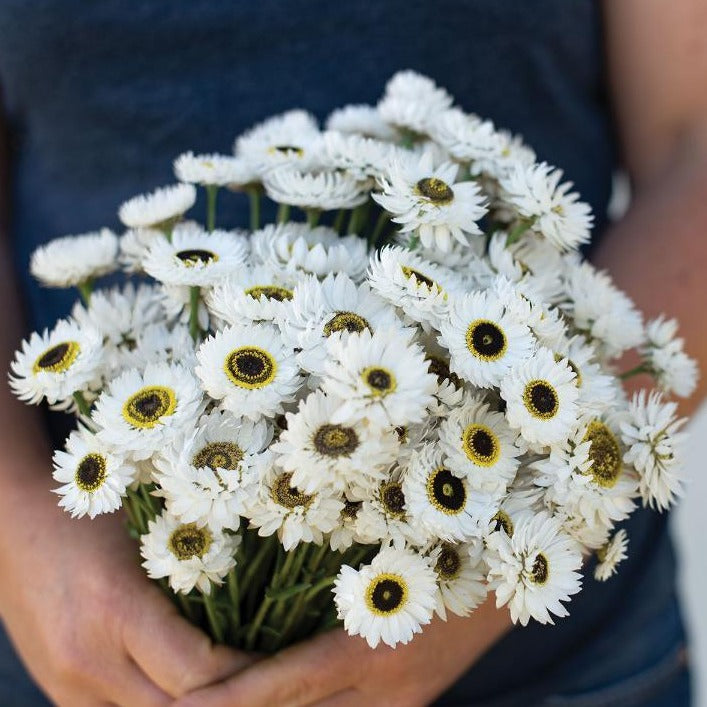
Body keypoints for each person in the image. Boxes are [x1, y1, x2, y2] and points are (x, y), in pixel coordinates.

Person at [0, 0, 704, 704]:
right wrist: (18, 532)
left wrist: (483, 572)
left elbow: (692, 147)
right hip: (76, 644)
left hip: (552, 664)